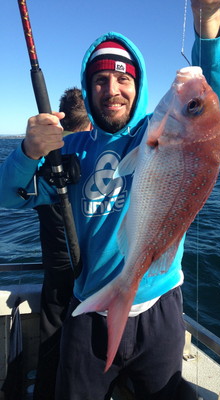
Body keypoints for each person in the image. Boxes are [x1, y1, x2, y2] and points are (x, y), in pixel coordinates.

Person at [0, 1, 220, 398]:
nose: (111, 89)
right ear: (87, 86)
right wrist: (26, 153)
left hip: (160, 307)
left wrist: (208, 21)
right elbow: (8, 197)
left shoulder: (157, 132)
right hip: (90, 308)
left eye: (123, 78)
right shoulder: (69, 151)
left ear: (139, 84)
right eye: (99, 80)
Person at [33, 88, 91, 400]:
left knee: (51, 341)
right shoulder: (93, 152)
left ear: (61, 113)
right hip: (90, 271)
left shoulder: (43, 154)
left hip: (55, 265)